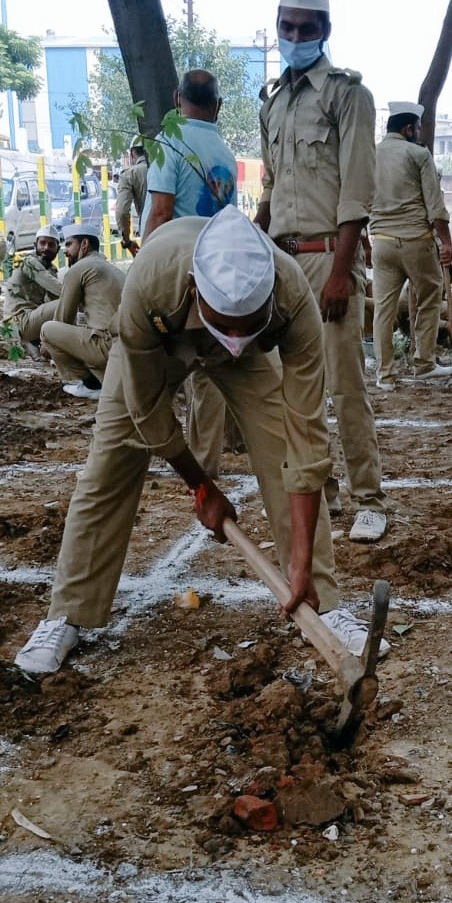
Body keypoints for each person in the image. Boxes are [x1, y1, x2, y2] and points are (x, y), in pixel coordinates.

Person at [14, 207, 389, 676]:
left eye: (244, 322)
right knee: (111, 458)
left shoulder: (292, 300)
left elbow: (306, 440)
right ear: (195, 287)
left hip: (258, 346)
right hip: (161, 338)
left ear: (269, 295)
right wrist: (201, 487)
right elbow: (147, 410)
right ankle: (67, 613)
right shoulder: (149, 285)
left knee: (281, 444)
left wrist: (300, 565)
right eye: (225, 324)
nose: (233, 338)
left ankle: (320, 600)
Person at [254, 0, 386, 544]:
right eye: (287, 27)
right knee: (293, 389)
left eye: (307, 29)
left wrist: (341, 270)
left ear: (325, 32)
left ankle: (369, 496)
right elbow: (271, 187)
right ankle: (322, 490)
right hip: (282, 264)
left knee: (344, 383)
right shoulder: (274, 102)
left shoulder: (347, 95)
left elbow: (356, 188)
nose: (295, 37)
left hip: (328, 259)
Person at [141, 68, 238, 479]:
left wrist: (144, 273)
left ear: (178, 98)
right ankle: (205, 460)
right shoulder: (227, 154)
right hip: (215, 274)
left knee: (150, 370)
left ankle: (140, 455)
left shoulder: (170, 143)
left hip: (175, 273)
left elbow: (161, 213)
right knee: (210, 374)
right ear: (218, 106)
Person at [370, 101, 452, 389]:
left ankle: (385, 375)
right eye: (417, 128)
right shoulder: (419, 154)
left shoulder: (371, 154)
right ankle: (424, 363)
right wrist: (447, 243)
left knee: (383, 308)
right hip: (417, 241)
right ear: (408, 129)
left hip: (381, 243)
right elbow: (435, 206)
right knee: (431, 297)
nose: (419, 133)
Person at [40, 223, 125, 400]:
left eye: (69, 244)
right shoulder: (112, 268)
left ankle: (91, 385)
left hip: (108, 346)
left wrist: (46, 347)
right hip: (127, 346)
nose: (65, 251)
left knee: (48, 330)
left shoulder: (80, 268)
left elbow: (62, 319)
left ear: (84, 244)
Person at [3, 225, 61, 360]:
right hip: (18, 321)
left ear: (57, 249)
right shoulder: (30, 263)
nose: (46, 248)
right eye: (42, 243)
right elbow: (62, 292)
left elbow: (54, 297)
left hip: (29, 320)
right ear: (35, 245)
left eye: (51, 244)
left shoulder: (50, 270)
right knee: (68, 303)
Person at [115, 141, 148, 257]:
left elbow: (122, 211)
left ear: (132, 154)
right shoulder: (167, 168)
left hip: (150, 231)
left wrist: (126, 241)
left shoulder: (130, 174)